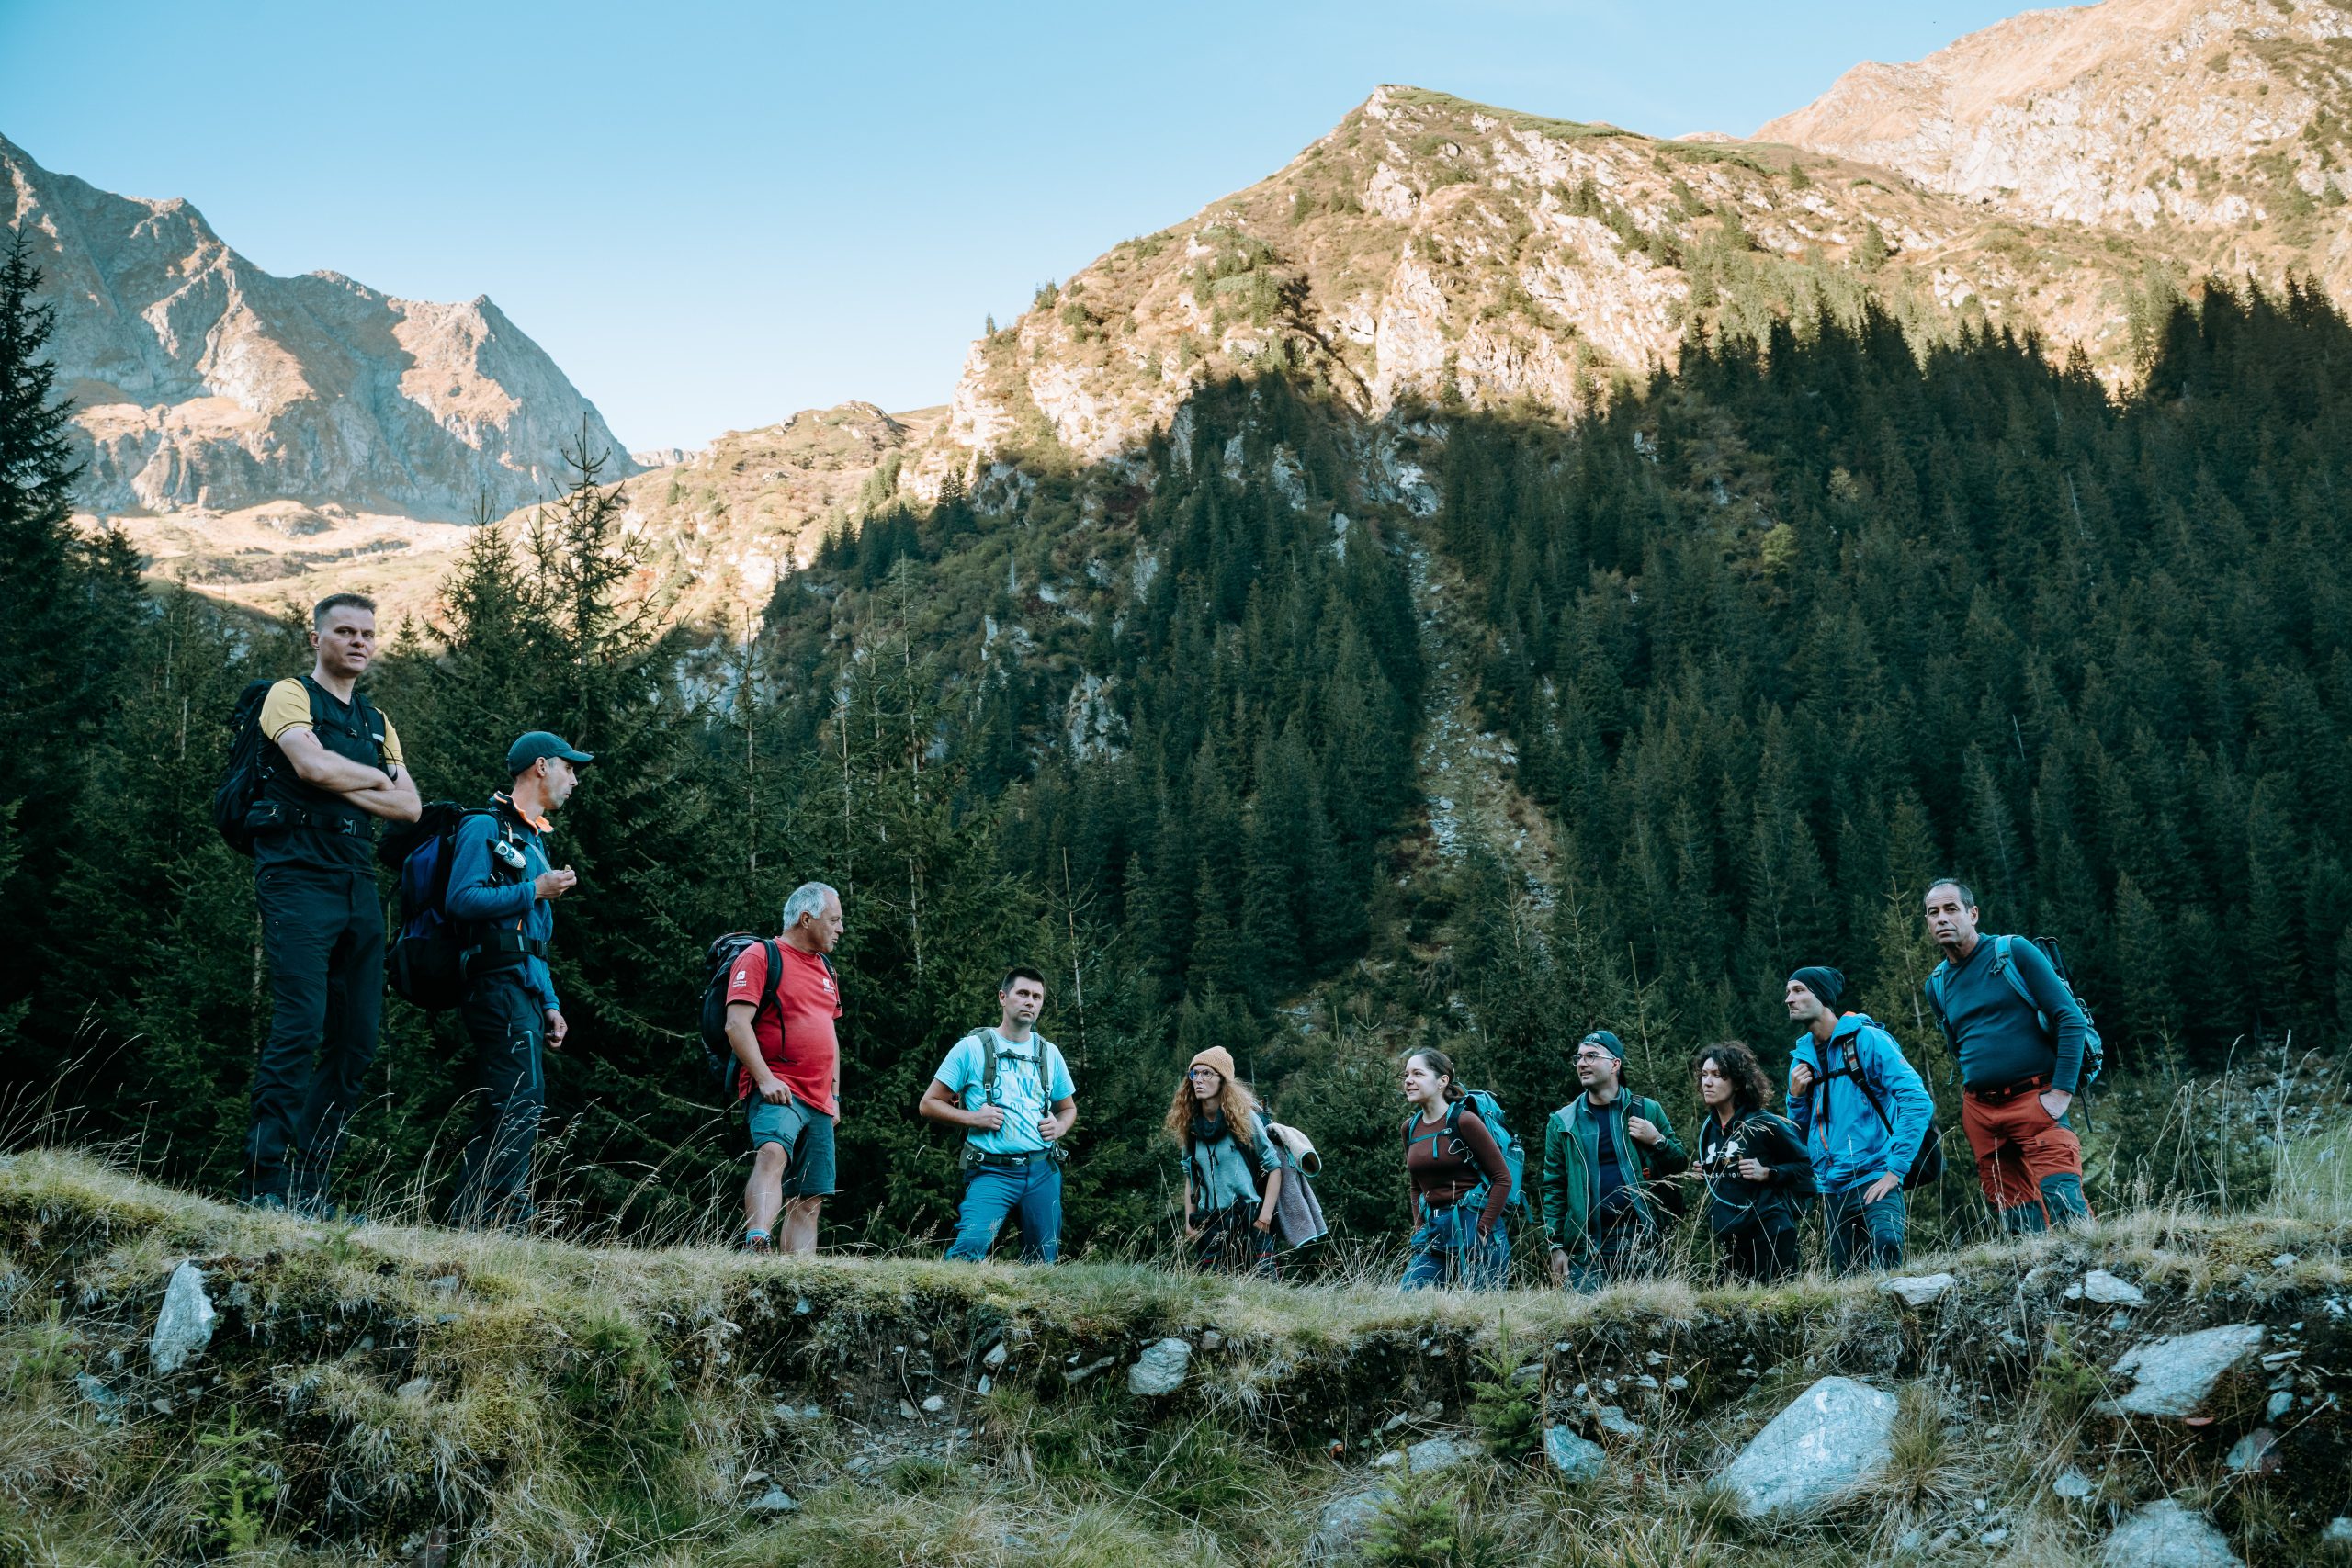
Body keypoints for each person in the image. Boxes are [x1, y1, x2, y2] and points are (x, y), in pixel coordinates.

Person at [242, 592, 421, 1216]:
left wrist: (343, 776)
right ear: (316, 638)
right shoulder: (289, 695)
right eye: (344, 631)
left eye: (367, 633)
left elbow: (410, 807)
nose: (358, 642)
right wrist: (371, 778)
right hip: (296, 873)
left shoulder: (377, 720)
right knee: (299, 1027)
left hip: (356, 877)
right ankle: (264, 1183)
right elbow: (310, 766)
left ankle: (309, 1188)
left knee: (356, 1041)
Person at [444, 731, 591, 1229]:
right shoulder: (484, 826)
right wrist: (535, 889)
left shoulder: (533, 839)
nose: (574, 780)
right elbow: (460, 899)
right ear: (541, 766)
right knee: (519, 1103)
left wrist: (550, 1001)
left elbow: (534, 938)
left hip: (521, 988)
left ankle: (472, 1220)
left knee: (507, 1104)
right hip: (494, 984)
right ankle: (506, 1219)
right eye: (569, 768)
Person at [1922, 878, 2095, 1233]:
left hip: (2036, 1098)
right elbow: (1958, 1045)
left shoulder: (2013, 951)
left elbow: (2070, 1019)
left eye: (1951, 909)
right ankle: (2035, 1266)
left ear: (1973, 914)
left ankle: (2088, 1264)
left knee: (2065, 1201)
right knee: (2016, 1217)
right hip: (1981, 1111)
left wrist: (2062, 1092)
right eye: (1933, 912)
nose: (1942, 918)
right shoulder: (1936, 984)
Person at [920, 966, 1077, 1263]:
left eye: (1037, 997)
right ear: (1003, 998)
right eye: (1023, 993)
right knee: (969, 1248)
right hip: (992, 1171)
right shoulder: (971, 1049)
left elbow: (1067, 1108)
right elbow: (928, 1104)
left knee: (1043, 1261)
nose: (1030, 1001)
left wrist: (1060, 1126)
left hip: (1042, 1170)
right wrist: (972, 1118)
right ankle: (951, 1294)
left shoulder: (1049, 1053)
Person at [1785, 965, 1933, 1273]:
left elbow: (1917, 1101)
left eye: (1798, 990)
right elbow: (1799, 1136)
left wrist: (1895, 1171)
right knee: (1850, 1278)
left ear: (1822, 996)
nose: (1789, 999)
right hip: (1832, 1188)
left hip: (1876, 1175)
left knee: (1887, 1247)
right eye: (1788, 992)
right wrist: (1795, 1098)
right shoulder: (1801, 1061)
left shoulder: (1867, 1040)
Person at [726, 883, 846, 1255]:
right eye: (834, 920)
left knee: (810, 1197)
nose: (840, 929)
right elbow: (736, 1024)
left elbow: (830, 1036)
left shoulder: (826, 968)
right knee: (773, 1153)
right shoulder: (761, 956)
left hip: (820, 1099)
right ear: (806, 919)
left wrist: (835, 1095)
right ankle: (757, 1241)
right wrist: (764, 1078)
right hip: (779, 1087)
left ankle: (798, 1276)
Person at [1541, 1030, 1689, 1292]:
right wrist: (1556, 1245)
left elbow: (1679, 1164)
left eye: (1591, 1056)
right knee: (1586, 1318)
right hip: (1587, 1250)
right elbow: (1554, 1187)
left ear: (1615, 1064)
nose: (1582, 1063)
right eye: (1579, 1057)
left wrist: (1657, 1140)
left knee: (1646, 1315)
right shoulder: (1563, 1122)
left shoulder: (1646, 1110)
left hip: (1641, 1242)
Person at [1690, 1042, 1814, 1283]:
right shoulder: (1708, 1130)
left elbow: (1807, 1165)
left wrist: (1768, 1172)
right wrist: (1708, 1172)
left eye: (1717, 1075)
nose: (1707, 1082)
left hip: (1771, 1234)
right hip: (1730, 1239)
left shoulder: (1763, 1123)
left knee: (1777, 1303)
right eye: (1704, 1075)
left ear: (1737, 1082)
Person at [1397, 1049, 1512, 1291]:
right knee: (1409, 1300)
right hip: (1434, 1230)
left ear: (1442, 1081)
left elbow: (1502, 1178)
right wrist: (1419, 1228)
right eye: (1406, 1075)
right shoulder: (1410, 1128)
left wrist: (1483, 1229)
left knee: (1481, 1309)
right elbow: (1415, 1186)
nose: (1408, 1081)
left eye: (1418, 1074)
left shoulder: (1465, 1121)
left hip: (1474, 1224)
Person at [1168, 1046, 1286, 1277]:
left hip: (1249, 1218)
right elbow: (1191, 1176)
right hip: (1210, 1222)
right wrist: (1189, 1223)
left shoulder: (1243, 1119)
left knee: (1263, 1288)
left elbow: (1274, 1168)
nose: (1198, 1079)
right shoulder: (1191, 1127)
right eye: (1194, 1074)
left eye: (1207, 1073)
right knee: (1214, 1291)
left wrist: (1264, 1218)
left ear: (1222, 1079)